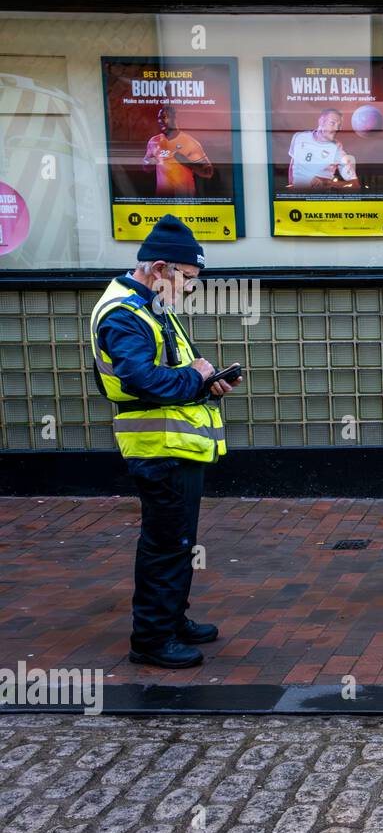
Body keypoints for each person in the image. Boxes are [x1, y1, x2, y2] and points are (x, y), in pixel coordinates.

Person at [88, 215, 241, 668]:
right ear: (160, 268)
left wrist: (203, 376)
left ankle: (172, 620)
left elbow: (166, 369)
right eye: (187, 278)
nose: (190, 288)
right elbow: (143, 380)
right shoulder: (124, 313)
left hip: (175, 445)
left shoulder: (148, 305)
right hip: (158, 447)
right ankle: (152, 640)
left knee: (176, 541)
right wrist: (195, 380)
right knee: (165, 543)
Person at [143, 106, 214, 198]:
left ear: (174, 118)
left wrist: (187, 162)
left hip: (184, 201)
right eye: (158, 118)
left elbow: (208, 172)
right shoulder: (154, 141)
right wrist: (150, 162)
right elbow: (146, 167)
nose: (160, 121)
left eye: (164, 117)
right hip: (162, 201)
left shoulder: (190, 142)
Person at [287, 108, 357, 189]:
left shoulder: (337, 150)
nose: (337, 128)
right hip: (298, 198)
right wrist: (291, 186)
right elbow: (293, 163)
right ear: (321, 122)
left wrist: (327, 182)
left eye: (339, 125)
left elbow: (355, 184)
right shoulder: (299, 137)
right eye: (332, 123)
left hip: (319, 199)